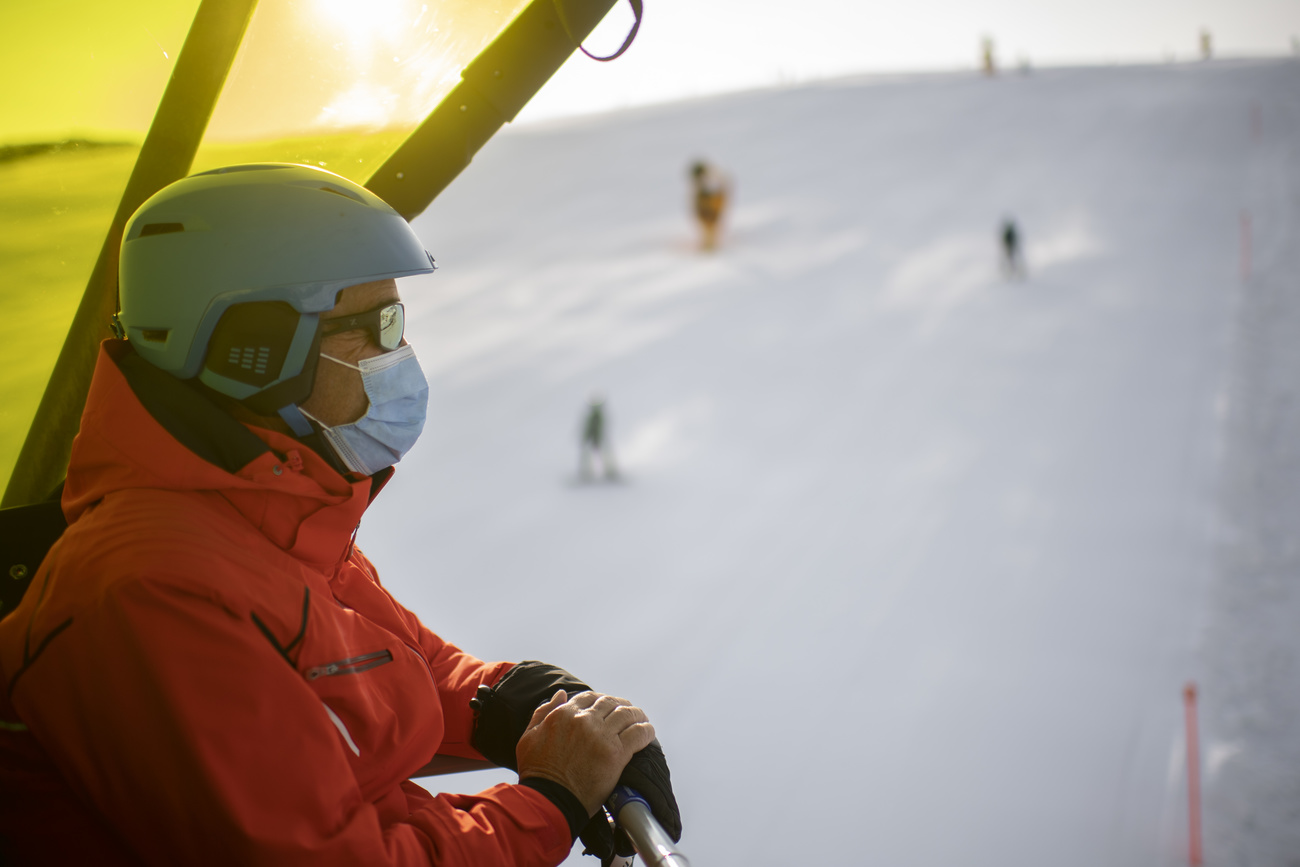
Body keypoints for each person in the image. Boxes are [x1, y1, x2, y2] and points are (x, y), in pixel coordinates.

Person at [0, 164, 679, 866]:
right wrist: (552, 798)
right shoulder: (150, 589)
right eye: (379, 327)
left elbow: (393, 667)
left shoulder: (271, 513)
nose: (401, 355)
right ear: (257, 350)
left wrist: (508, 700)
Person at [689, 160, 729, 251]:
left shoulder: (709, 184)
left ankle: (710, 245)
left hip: (710, 205)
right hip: (709, 205)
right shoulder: (704, 185)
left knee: (709, 224)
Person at [578, 394, 617, 482]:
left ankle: (610, 472)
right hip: (593, 438)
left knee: (605, 455)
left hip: (598, 438)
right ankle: (586, 473)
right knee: (588, 456)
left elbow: (598, 427)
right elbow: (589, 428)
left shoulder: (597, 416)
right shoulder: (594, 416)